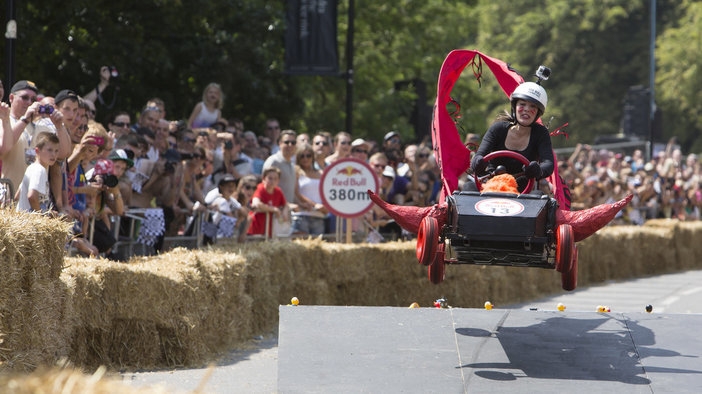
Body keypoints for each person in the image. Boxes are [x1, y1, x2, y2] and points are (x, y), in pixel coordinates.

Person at [468, 80, 554, 192]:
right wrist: (477, 162)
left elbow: (548, 164)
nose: (527, 109)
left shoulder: (541, 133)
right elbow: (480, 155)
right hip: (491, 186)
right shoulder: (497, 129)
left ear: (538, 112)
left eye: (532, 106)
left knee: (542, 197)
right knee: (467, 188)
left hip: (523, 191)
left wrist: (538, 170)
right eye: (522, 104)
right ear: (514, 106)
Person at [16, 131, 60, 213]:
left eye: (56, 151)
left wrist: (47, 212)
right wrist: (42, 217)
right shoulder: (39, 170)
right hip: (30, 223)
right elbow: (32, 196)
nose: (53, 154)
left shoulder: (32, 168)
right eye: (49, 150)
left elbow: (17, 196)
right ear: (37, 151)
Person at [291, 143, 327, 236]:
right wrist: (315, 205)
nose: (305, 158)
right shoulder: (296, 171)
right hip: (302, 216)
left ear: (313, 157)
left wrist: (325, 207)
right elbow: (296, 193)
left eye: (308, 155)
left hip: (319, 216)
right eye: (302, 156)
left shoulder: (320, 173)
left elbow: (327, 192)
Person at [248, 166, 288, 238]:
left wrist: (285, 212)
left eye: (275, 179)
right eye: (270, 178)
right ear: (264, 179)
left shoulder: (278, 191)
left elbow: (285, 204)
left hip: (269, 230)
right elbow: (256, 203)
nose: (272, 181)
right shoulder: (259, 188)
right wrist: (274, 209)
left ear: (278, 181)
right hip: (255, 229)